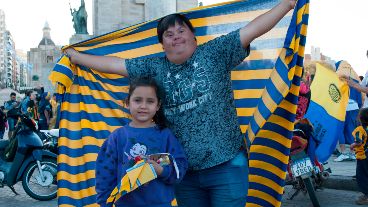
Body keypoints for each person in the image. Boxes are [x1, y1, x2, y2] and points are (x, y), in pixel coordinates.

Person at [66, 1, 296, 206]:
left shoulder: (215, 52)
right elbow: (115, 65)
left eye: (180, 30)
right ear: (162, 44)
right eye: (168, 34)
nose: (175, 35)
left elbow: (252, 29)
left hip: (227, 165)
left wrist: (286, 4)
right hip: (183, 173)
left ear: (193, 36)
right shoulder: (154, 67)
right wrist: (77, 58)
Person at [95, 77, 188, 207]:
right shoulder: (117, 137)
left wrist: (161, 171)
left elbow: (180, 168)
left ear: (158, 106)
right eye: (137, 100)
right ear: (127, 103)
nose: (143, 106)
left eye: (150, 101)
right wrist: (105, 203)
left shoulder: (165, 136)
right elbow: (104, 174)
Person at [351, 108, 368, 205]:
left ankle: (366, 196)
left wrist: (353, 145)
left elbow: (359, 141)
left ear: (360, 119)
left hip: (364, 156)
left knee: (362, 175)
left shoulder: (360, 129)